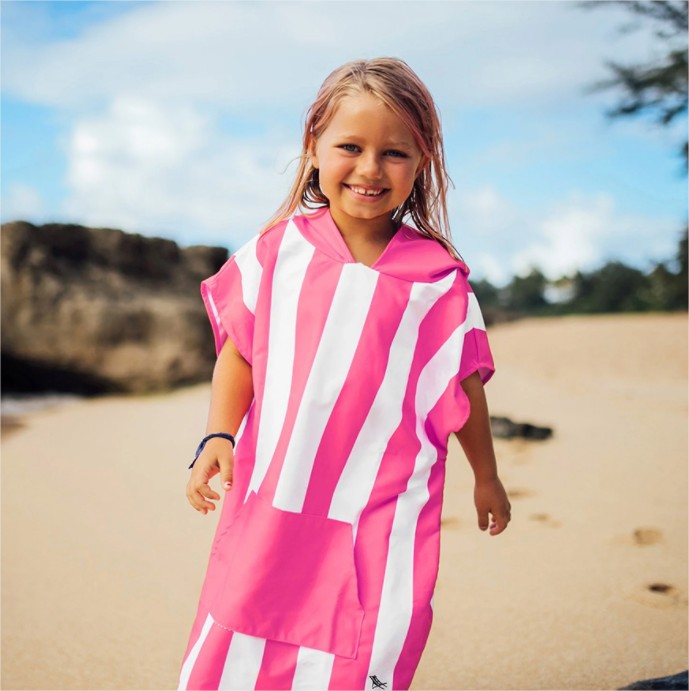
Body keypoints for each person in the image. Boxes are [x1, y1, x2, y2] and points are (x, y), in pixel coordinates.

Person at [178, 57, 511, 691]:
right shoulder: (276, 252)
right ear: (314, 146)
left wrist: (487, 476)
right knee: (243, 625)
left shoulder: (437, 280)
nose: (370, 169)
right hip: (276, 489)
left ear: (422, 163)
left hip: (385, 500)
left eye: (395, 153)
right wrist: (218, 434)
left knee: (372, 637)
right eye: (350, 147)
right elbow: (241, 352)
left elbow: (463, 384)